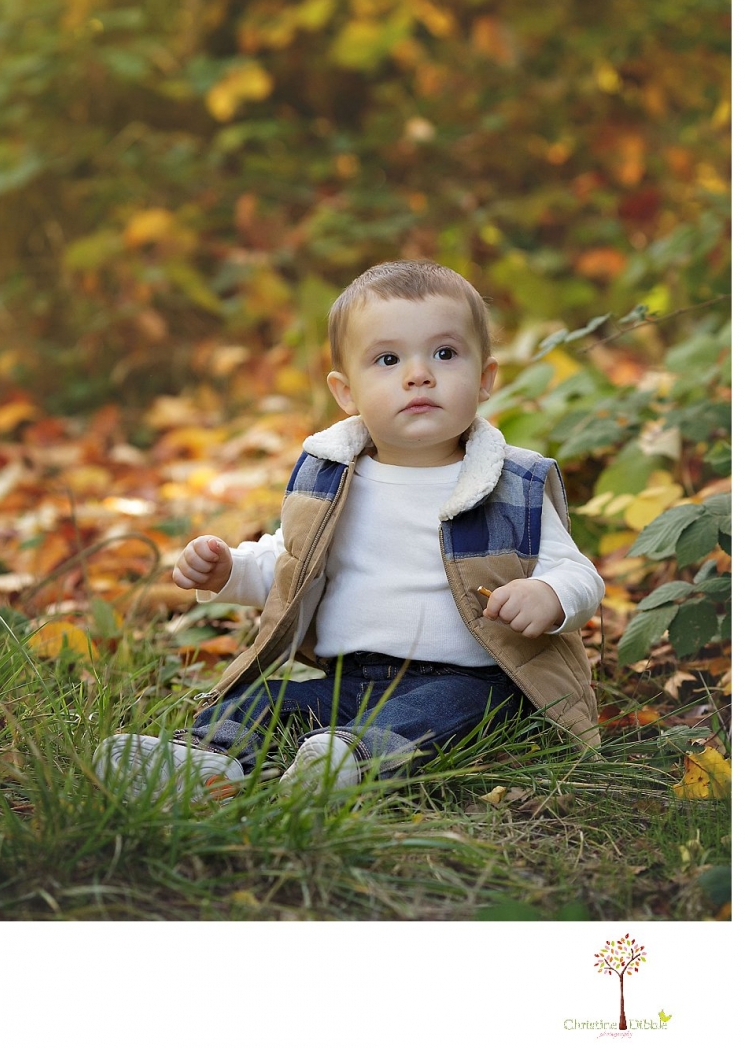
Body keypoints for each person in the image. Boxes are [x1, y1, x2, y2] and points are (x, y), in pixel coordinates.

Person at [94, 260, 603, 802]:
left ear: (484, 379)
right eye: (388, 359)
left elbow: (577, 572)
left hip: (472, 678)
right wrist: (228, 570)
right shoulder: (331, 477)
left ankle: (346, 766)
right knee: (270, 699)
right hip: (350, 680)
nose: (418, 374)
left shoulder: (510, 481)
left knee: (438, 714)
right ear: (345, 391)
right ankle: (206, 761)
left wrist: (547, 594)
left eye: (445, 354)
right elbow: (290, 563)